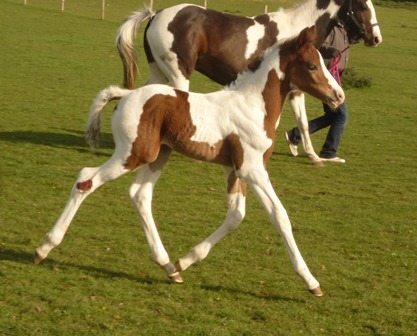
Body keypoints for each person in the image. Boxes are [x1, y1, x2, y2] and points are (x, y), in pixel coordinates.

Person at [285, 21, 350, 163]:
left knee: (331, 116)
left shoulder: (343, 27)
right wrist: (330, 51)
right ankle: (328, 152)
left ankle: (295, 135)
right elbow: (319, 45)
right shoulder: (330, 27)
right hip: (325, 77)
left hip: (334, 77)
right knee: (341, 116)